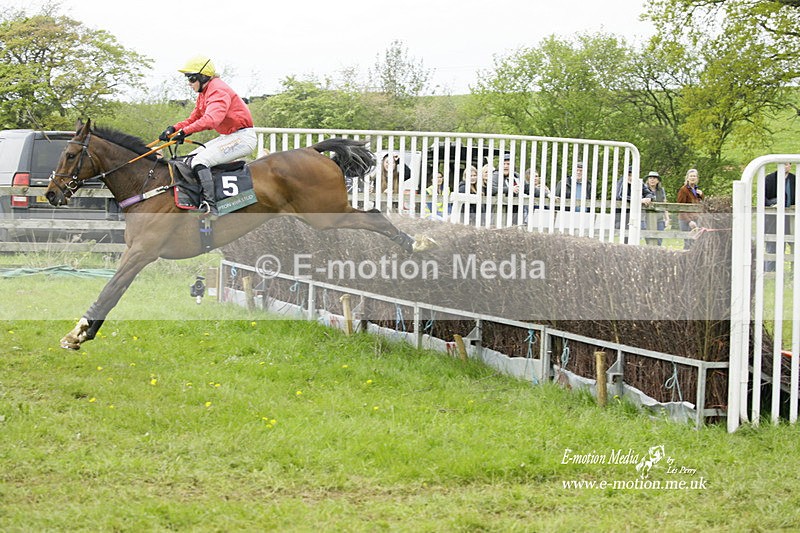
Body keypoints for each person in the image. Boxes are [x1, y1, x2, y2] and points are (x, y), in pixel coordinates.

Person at [159, 55, 257, 217]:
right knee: (187, 160)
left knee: (199, 161)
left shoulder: (217, 90)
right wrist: (174, 129)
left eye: (191, 79)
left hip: (242, 138)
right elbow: (194, 118)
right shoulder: (204, 92)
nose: (189, 83)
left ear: (203, 77)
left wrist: (185, 132)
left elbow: (211, 120)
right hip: (229, 136)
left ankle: (211, 206)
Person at [764, 162, 797, 271]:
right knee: (773, 246)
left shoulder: (794, 179)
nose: (785, 166)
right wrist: (773, 204)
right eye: (783, 164)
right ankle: (769, 273)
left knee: (794, 246)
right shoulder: (770, 179)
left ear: (790, 166)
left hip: (791, 218)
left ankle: (794, 274)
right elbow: (763, 198)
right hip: (773, 218)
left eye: (787, 164)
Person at [614, 166, 654, 231]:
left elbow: (649, 193)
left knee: (636, 233)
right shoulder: (621, 182)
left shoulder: (639, 182)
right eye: (629, 175)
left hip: (635, 214)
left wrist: (648, 198)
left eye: (633, 175)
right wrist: (639, 200)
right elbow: (619, 196)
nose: (631, 177)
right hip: (622, 214)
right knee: (624, 235)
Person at [676, 168, 704, 249]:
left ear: (697, 178)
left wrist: (702, 195)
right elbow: (681, 207)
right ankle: (685, 260)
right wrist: (689, 221)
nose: (692, 178)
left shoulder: (696, 190)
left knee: (695, 243)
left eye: (694, 176)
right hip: (686, 220)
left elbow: (700, 204)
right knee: (688, 243)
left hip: (696, 219)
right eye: (691, 176)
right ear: (687, 178)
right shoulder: (683, 190)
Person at [643, 171, 669, 246]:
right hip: (647, 218)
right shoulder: (644, 190)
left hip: (659, 218)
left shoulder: (661, 190)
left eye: (654, 178)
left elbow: (665, 204)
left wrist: (667, 218)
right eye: (650, 178)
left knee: (659, 240)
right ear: (647, 180)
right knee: (649, 240)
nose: (652, 180)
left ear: (658, 180)